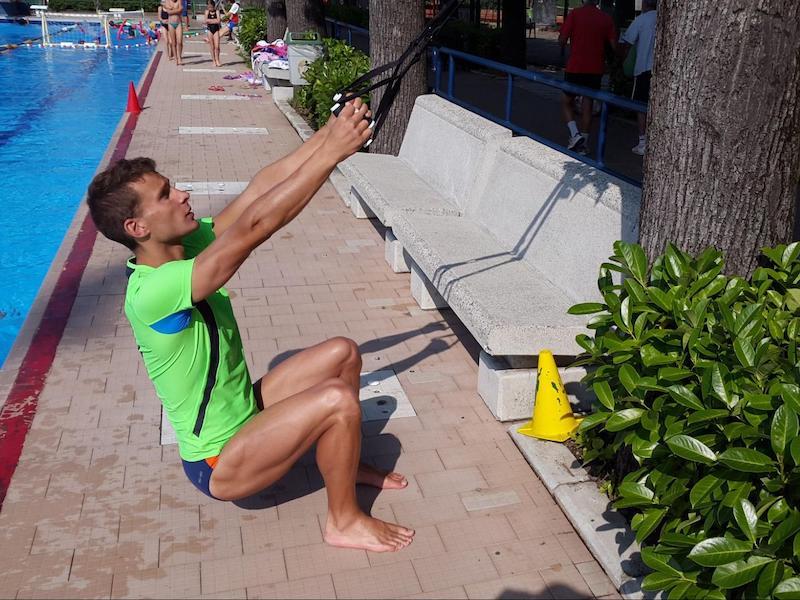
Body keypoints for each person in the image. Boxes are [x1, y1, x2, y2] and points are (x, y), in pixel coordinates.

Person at [85, 100, 415, 553]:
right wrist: (331, 155)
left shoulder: (185, 244)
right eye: (165, 195)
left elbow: (257, 193)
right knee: (338, 401)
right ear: (136, 227)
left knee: (342, 352)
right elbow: (257, 225)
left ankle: (343, 460)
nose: (182, 194)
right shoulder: (153, 291)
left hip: (245, 414)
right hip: (219, 460)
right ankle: (344, 520)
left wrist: (326, 134)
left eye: (173, 187)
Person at [558, 0, 616, 154]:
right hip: (596, 69)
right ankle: (583, 143)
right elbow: (613, 45)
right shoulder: (606, 18)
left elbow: (562, 40)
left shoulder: (575, 14)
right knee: (588, 104)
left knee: (566, 101)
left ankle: (574, 134)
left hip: (575, 66)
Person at [619, 0, 657, 155]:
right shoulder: (663, 19)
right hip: (659, 70)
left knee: (640, 106)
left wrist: (621, 61)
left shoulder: (641, 20)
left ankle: (642, 141)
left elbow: (626, 43)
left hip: (642, 68)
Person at [165, 0, 184, 65]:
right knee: (174, 43)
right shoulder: (168, 1)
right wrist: (177, 10)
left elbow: (181, 10)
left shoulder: (179, 1)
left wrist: (172, 10)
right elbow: (169, 12)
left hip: (178, 23)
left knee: (180, 42)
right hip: (171, 24)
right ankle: (176, 58)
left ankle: (179, 57)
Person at [204, 0, 222, 67]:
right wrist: (214, 21)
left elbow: (218, 21)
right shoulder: (206, 12)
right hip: (209, 30)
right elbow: (205, 21)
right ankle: (213, 61)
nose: (210, 8)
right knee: (212, 47)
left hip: (216, 30)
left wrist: (210, 21)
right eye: (209, 7)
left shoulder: (217, 11)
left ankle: (217, 60)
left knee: (217, 46)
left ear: (213, 6)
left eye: (211, 7)